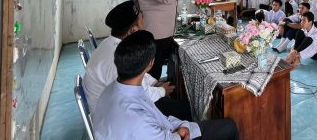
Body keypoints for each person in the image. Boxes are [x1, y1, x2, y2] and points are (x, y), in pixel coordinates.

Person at [92, 30, 238, 140]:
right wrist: (179, 133)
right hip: (167, 134)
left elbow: (157, 117)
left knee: (188, 113)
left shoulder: (112, 89)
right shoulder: (136, 119)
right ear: (150, 64)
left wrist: (181, 126)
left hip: (163, 129)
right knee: (229, 127)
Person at [83, 0, 191, 120]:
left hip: (119, 105)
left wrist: (155, 83)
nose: (144, 24)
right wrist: (162, 91)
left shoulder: (113, 44)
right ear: (133, 31)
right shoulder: (115, 60)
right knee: (187, 112)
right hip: (117, 116)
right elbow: (137, 95)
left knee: (177, 105)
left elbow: (136, 71)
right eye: (142, 20)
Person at [136, 0, 199, 79]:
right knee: (154, 65)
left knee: (161, 61)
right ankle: (152, 93)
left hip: (163, 30)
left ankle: (165, 85)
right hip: (157, 32)